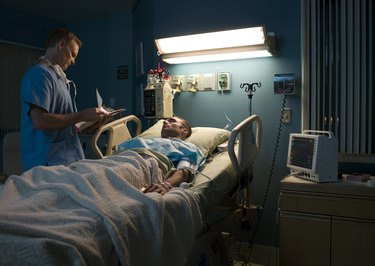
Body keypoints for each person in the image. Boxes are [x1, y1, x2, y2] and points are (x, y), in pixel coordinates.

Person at [20, 28, 109, 171]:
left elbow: (66, 123)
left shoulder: (59, 79)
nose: (73, 62)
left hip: (68, 160)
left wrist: (89, 126)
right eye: (73, 55)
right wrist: (82, 115)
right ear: (61, 45)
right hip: (47, 165)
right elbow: (39, 121)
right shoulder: (39, 74)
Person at [118, 116, 206, 195]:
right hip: (120, 159)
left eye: (172, 121)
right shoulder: (140, 140)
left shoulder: (187, 147)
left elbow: (185, 169)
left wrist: (166, 185)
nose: (165, 122)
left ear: (184, 130)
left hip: (147, 164)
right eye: (165, 121)